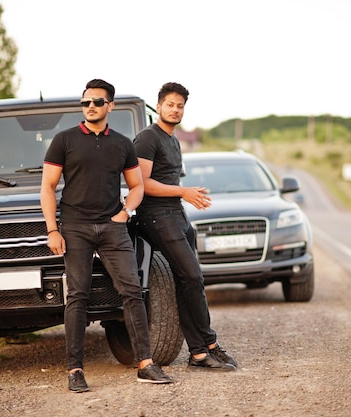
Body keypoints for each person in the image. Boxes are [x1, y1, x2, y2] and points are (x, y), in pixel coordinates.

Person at [41, 79, 173, 392]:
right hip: (76, 227)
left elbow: (137, 185)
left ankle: (145, 363)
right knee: (78, 295)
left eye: (97, 102)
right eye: (86, 102)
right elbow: (47, 187)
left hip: (113, 226)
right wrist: (52, 230)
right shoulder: (65, 140)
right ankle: (75, 369)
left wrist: (125, 213)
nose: (90, 107)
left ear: (109, 106)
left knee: (132, 290)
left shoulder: (123, 144)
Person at [133, 82, 238, 371]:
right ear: (160, 105)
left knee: (191, 281)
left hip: (177, 214)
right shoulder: (147, 138)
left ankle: (201, 351)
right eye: (170, 104)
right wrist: (184, 192)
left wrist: (183, 198)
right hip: (155, 216)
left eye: (180, 106)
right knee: (191, 277)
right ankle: (206, 345)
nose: (175, 109)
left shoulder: (174, 140)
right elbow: (141, 183)